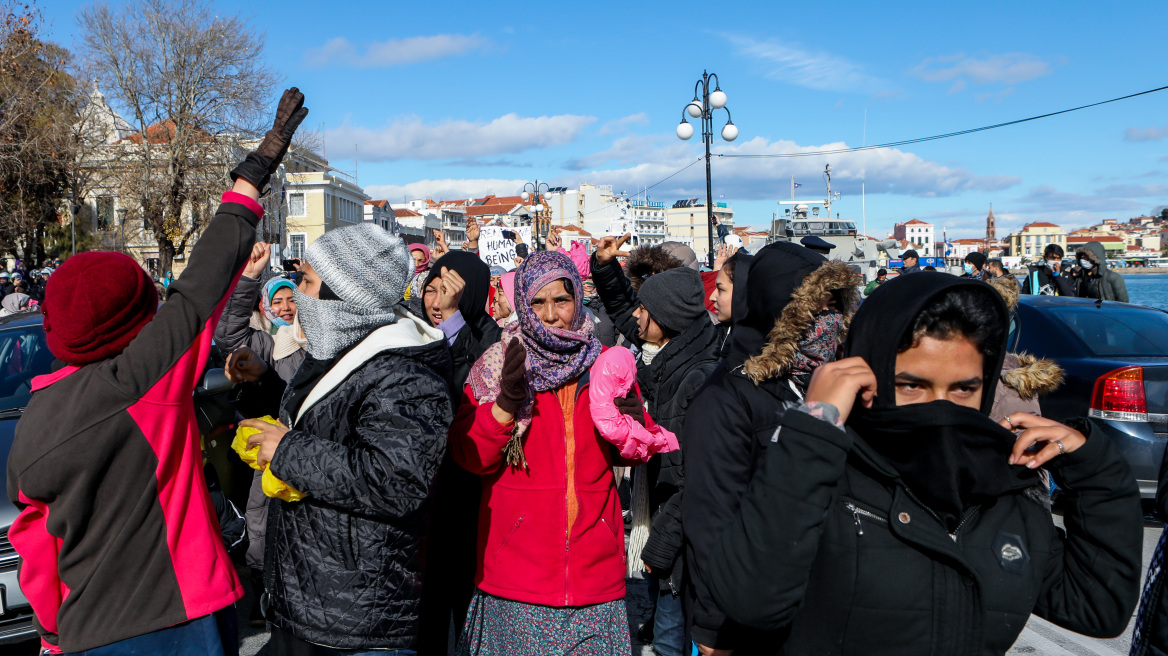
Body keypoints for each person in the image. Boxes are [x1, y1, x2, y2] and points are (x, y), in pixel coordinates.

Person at [5, 86, 309, 655]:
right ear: (138, 316)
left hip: (83, 632)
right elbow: (202, 281)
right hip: (180, 619)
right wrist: (256, 168)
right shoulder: (145, 377)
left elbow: (35, 545)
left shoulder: (33, 419)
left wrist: (51, 633)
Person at [702, 272, 1143, 655]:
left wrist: (1093, 466)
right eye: (911, 385)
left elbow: (1096, 606)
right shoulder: (823, 475)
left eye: (962, 390)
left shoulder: (1004, 489)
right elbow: (750, 599)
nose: (939, 409)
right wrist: (815, 426)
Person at [233, 221, 454, 655]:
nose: (298, 295)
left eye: (309, 283)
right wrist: (264, 388)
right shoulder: (348, 347)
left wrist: (289, 450)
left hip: (357, 618)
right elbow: (332, 423)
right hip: (312, 601)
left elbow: (397, 480)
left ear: (345, 296)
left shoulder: (405, 374)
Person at [449, 250, 649, 656]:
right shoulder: (498, 364)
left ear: (578, 299)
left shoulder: (605, 364)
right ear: (523, 304)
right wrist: (505, 403)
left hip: (595, 578)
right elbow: (469, 455)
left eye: (561, 299)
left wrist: (633, 425)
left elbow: (628, 454)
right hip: (514, 577)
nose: (551, 314)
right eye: (538, 302)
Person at [682, 242, 860, 654]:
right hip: (745, 618)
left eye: (836, 306)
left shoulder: (830, 381)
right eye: (818, 307)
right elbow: (711, 518)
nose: (830, 319)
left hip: (816, 608)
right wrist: (712, 626)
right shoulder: (727, 397)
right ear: (781, 311)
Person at [591, 234, 721, 656]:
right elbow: (625, 313)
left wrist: (660, 545)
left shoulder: (693, 377)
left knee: (670, 642)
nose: (637, 316)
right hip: (668, 527)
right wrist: (607, 269)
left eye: (646, 308)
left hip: (678, 541)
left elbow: (694, 477)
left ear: (666, 315)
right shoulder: (666, 358)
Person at [416, 250, 502, 655]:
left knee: (469, 614)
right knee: (424, 617)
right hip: (422, 501)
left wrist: (454, 322)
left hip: (468, 497)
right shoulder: (410, 332)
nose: (437, 303)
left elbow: (465, 390)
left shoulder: (492, 338)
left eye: (449, 293)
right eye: (431, 290)